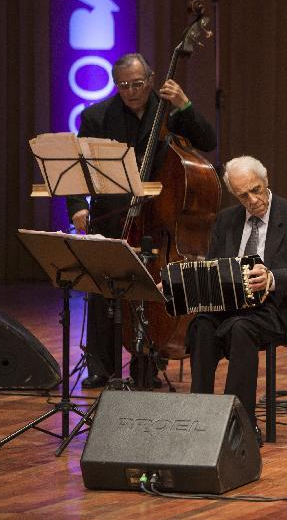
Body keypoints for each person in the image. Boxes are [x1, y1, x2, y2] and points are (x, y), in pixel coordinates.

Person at [65, 52, 216, 388]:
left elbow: (209, 141)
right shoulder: (96, 116)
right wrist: (78, 205)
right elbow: (78, 168)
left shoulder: (171, 114)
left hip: (158, 218)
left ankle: (146, 365)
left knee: (150, 292)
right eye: (123, 85)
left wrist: (185, 105)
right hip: (112, 215)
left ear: (151, 80)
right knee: (103, 290)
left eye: (137, 84)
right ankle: (101, 367)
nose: (131, 91)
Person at [186, 156, 287, 444]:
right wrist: (183, 284)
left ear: (266, 180)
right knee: (201, 327)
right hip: (231, 304)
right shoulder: (226, 219)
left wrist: (272, 278)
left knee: (240, 328)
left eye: (256, 190)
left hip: (277, 308)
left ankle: (241, 424)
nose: (252, 200)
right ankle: (199, 417)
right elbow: (213, 268)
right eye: (243, 195)